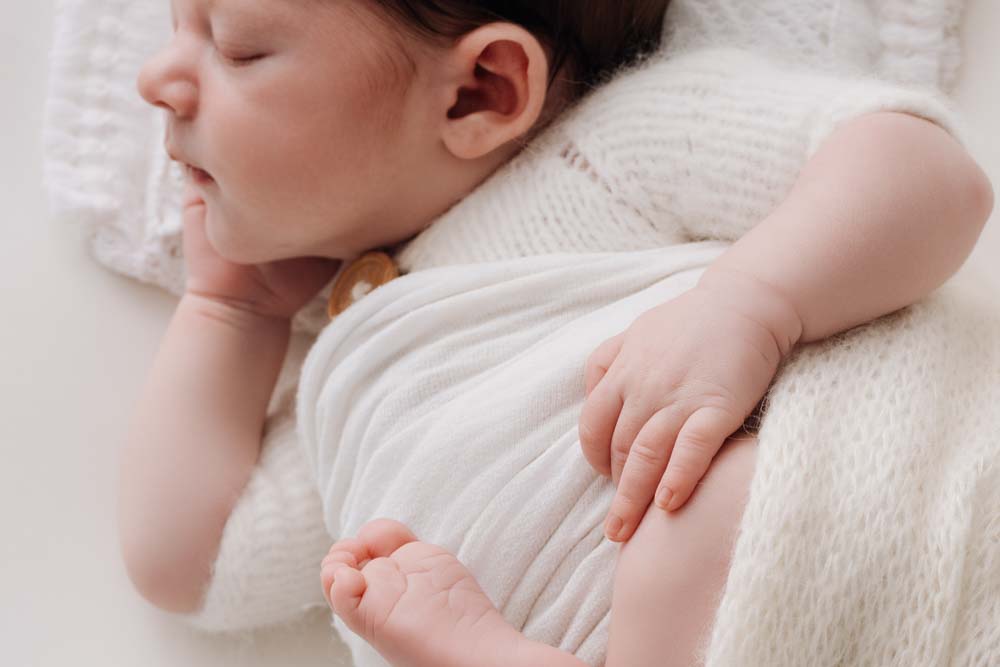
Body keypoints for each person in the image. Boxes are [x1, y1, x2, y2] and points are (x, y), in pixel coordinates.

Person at [119, 1, 994, 665]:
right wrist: (232, 312)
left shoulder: (610, 153)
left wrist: (754, 304)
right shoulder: (350, 368)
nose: (157, 78)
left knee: (698, 518)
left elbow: (927, 176)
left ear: (481, 91)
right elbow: (192, 564)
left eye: (237, 49)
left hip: (894, 526)